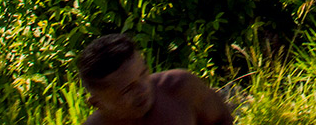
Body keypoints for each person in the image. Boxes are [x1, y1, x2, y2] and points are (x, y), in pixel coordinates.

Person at [78, 33, 233, 125]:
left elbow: (222, 120)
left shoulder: (180, 88)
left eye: (144, 73)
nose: (142, 89)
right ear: (97, 103)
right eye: (127, 90)